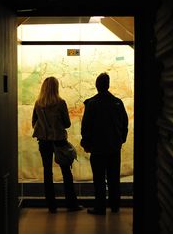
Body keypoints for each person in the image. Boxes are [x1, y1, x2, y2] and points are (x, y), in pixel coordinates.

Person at [32, 76, 83, 213]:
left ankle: (51, 206)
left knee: (47, 172)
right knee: (66, 172)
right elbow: (67, 124)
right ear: (56, 88)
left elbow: (33, 123)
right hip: (59, 141)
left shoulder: (38, 103)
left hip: (44, 141)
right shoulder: (60, 103)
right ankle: (71, 204)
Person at [80, 72, 128, 215]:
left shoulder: (92, 104)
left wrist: (87, 144)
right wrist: (121, 140)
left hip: (97, 149)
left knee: (99, 180)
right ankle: (115, 206)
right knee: (114, 178)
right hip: (114, 148)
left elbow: (86, 127)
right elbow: (124, 124)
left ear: (96, 86)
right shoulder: (118, 103)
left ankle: (100, 207)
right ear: (108, 85)